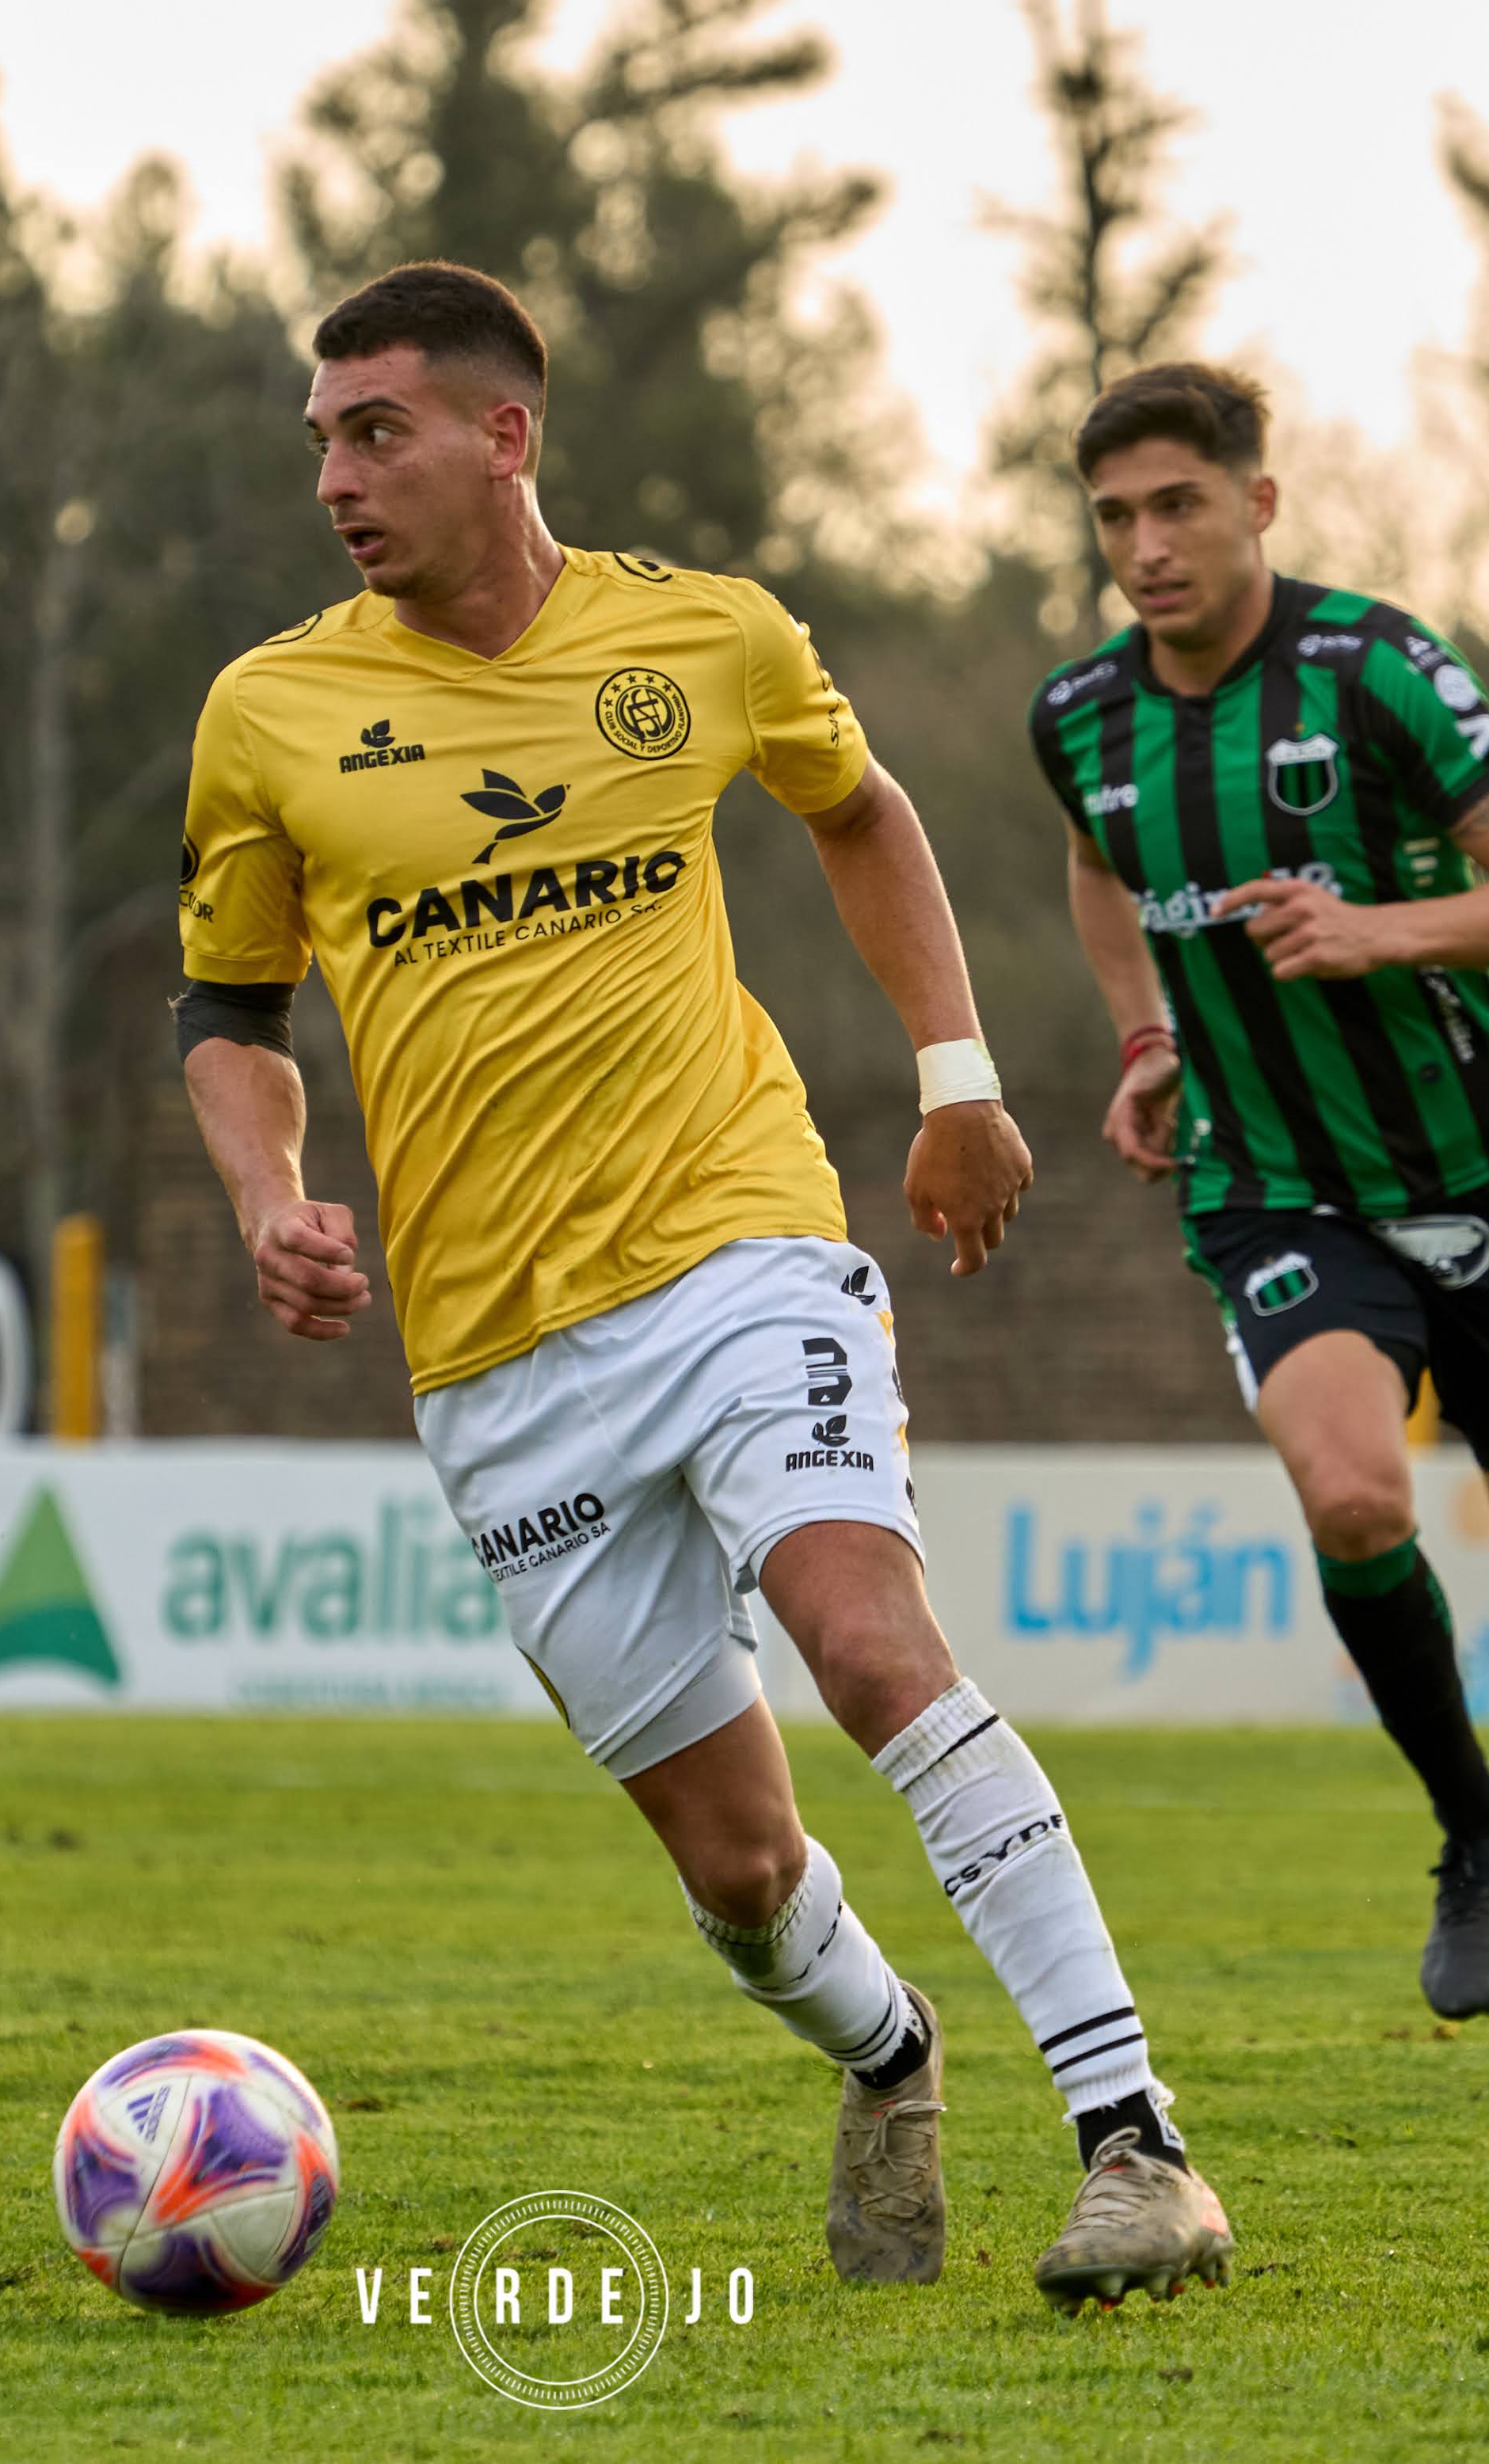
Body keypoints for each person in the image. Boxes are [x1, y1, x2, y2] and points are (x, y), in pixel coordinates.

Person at [172, 262, 1232, 2308]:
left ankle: (1136, 2140)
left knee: (869, 1638)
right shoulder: (272, 710)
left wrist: (957, 1079)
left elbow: (863, 807)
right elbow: (227, 1002)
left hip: (737, 1247)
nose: (335, 476)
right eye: (320, 436)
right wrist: (268, 1191)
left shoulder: (702, 634)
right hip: (497, 1360)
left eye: (374, 429)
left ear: (506, 436)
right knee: (742, 1874)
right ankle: (890, 2045)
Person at [1032, 361, 1489, 2085]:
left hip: (1484, 1179)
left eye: (1175, 505)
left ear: (1256, 500)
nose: (1144, 547)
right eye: (1112, 517)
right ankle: (1472, 1821)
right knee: (1345, 1487)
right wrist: (1150, 1034)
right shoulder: (1080, 716)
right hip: (1271, 1181)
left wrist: (1374, 929)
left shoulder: (1373, 669)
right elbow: (1099, 865)